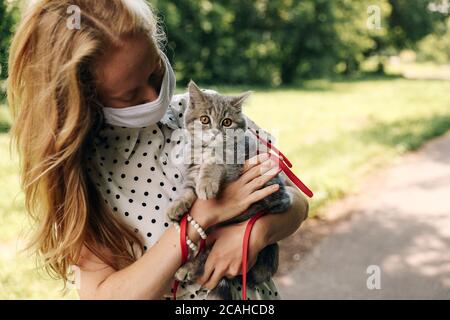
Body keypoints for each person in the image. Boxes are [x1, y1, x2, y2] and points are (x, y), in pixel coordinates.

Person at [7, 0, 309, 300]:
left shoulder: (208, 109)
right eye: (131, 95)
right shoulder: (87, 177)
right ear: (84, 100)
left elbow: (295, 202)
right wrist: (198, 222)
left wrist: (256, 233)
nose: (154, 96)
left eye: (154, 72)